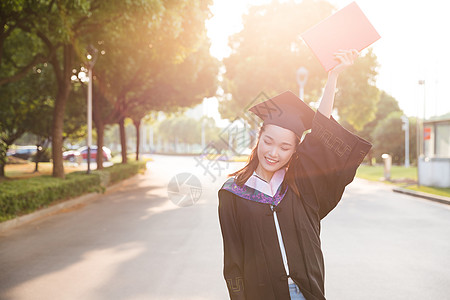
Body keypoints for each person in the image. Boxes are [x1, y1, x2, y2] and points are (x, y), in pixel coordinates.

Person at [217, 49, 372, 300]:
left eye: (285, 147)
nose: (273, 153)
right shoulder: (232, 193)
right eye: (268, 141)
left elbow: (321, 131)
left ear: (295, 151)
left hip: (305, 293)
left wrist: (333, 77)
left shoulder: (300, 186)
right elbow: (233, 261)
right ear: (259, 138)